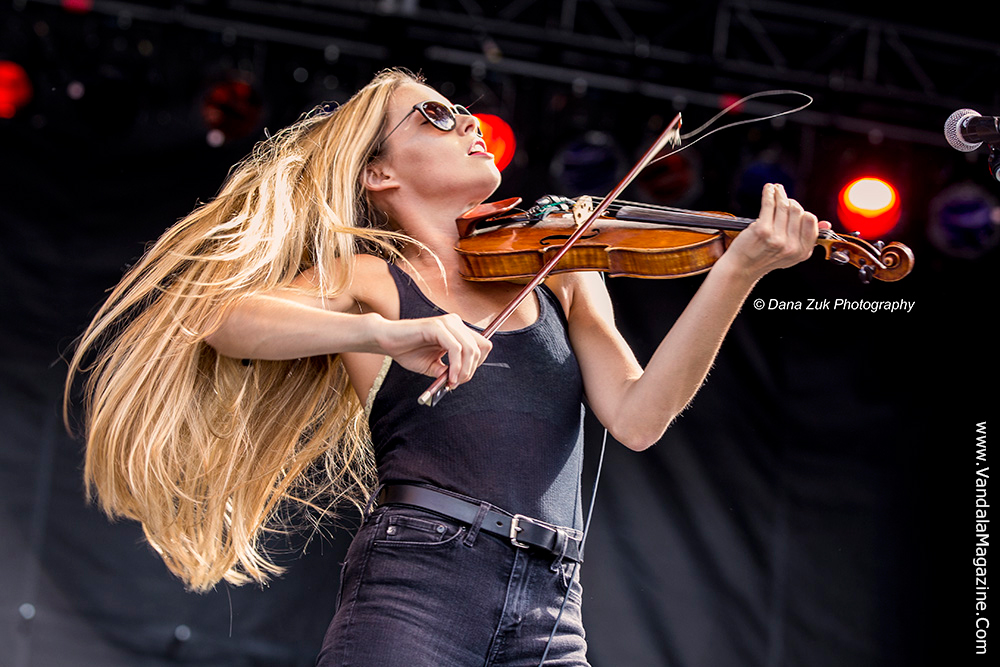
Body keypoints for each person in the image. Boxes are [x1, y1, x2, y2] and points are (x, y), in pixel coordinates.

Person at [65, 68, 828, 666]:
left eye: (460, 109)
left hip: (553, 612)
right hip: (417, 587)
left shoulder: (564, 267)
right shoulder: (372, 275)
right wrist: (386, 333)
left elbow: (637, 417)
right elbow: (224, 320)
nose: (466, 120)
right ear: (380, 176)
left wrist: (737, 272)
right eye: (432, 114)